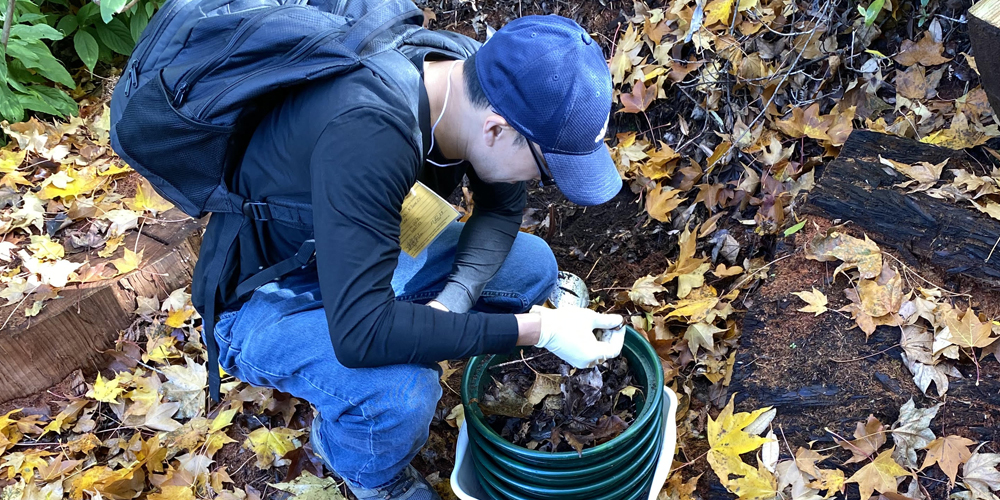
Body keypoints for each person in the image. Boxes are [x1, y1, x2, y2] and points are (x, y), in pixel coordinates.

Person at [202, 13, 624, 500]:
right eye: (545, 170)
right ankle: (364, 469)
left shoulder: (471, 79)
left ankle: (426, 339)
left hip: (359, 248)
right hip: (268, 294)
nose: (537, 183)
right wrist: (540, 329)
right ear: (495, 130)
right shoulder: (369, 134)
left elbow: (500, 211)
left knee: (531, 268)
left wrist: (454, 303)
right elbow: (361, 336)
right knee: (402, 393)